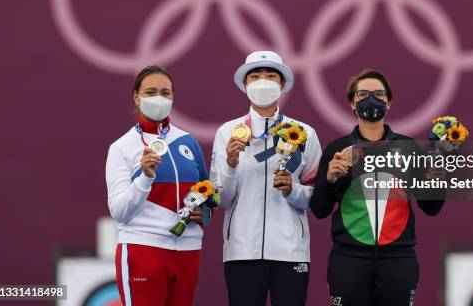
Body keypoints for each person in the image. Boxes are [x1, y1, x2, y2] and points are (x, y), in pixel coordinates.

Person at [310, 68, 446, 306]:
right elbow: (319, 210)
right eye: (362, 94)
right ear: (352, 104)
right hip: (349, 259)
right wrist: (330, 180)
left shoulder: (408, 148)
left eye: (379, 94)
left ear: (389, 102)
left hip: (398, 260)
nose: (370, 99)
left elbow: (430, 208)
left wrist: (436, 181)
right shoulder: (337, 149)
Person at [210, 51, 322, 306]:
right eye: (256, 76)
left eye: (271, 76)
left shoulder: (304, 134)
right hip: (242, 250)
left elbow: (317, 197)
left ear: (281, 85)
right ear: (245, 85)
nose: (263, 82)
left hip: (291, 251)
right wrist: (230, 164)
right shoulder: (228, 132)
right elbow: (221, 198)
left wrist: (292, 190)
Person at [105, 65, 210, 306]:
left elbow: (208, 192)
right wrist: (145, 176)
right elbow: (119, 212)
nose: (159, 98)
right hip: (144, 249)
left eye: (165, 93)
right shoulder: (122, 147)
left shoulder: (188, 141)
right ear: (136, 97)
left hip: (188, 250)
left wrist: (203, 212)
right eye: (151, 92)